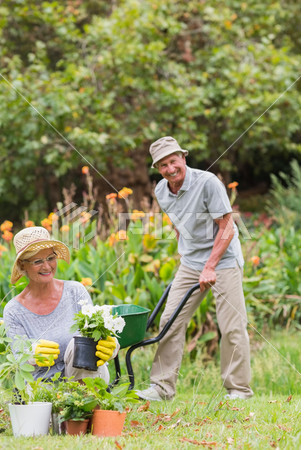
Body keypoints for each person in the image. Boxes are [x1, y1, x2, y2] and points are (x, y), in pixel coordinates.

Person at [136, 136, 253, 401]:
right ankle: (162, 388)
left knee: (231, 325)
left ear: (183, 158)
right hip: (190, 263)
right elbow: (177, 221)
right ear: (158, 169)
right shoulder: (161, 190)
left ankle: (238, 390)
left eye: (173, 161)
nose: (170, 169)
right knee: (170, 321)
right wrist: (185, 251)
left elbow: (227, 226)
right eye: (163, 165)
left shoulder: (208, 183)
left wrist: (210, 266)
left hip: (222, 261)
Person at [3, 226, 118, 382]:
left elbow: (97, 334)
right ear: (23, 265)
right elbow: (18, 357)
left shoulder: (75, 291)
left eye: (51, 258)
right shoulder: (14, 310)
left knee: (78, 344)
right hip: (43, 386)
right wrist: (31, 354)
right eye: (38, 261)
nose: (47, 266)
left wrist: (112, 346)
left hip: (84, 379)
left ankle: (88, 402)